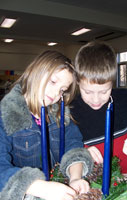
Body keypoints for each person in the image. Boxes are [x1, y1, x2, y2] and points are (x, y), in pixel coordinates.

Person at [0, 50, 94, 200]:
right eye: (53, 81)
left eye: (62, 90)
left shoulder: (60, 116)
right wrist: (40, 188)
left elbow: (73, 144)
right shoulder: (5, 115)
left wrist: (75, 177)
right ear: (35, 72)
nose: (56, 93)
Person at [71, 41, 127, 174]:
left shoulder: (125, 99)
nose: (96, 100)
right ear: (77, 82)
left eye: (104, 91)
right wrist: (81, 152)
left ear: (112, 81)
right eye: (87, 92)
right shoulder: (72, 110)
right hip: (92, 182)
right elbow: (68, 146)